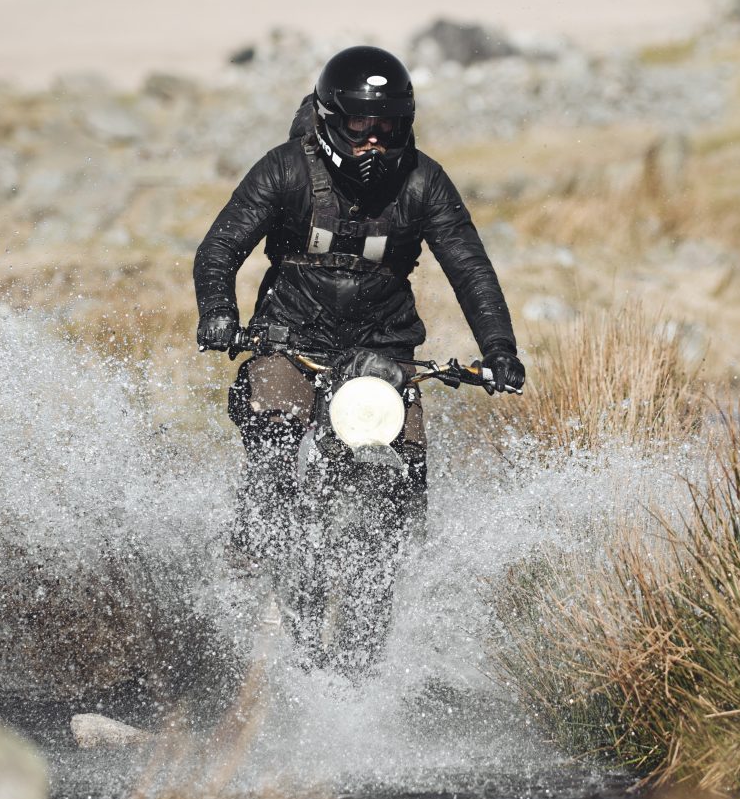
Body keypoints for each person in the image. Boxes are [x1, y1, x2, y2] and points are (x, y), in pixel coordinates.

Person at [193, 45, 524, 566]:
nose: (374, 138)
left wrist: (499, 347)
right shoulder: (285, 170)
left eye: (387, 127)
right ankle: (254, 561)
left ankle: (388, 591)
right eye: (359, 124)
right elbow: (218, 249)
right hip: (289, 340)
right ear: (330, 120)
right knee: (275, 438)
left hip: (385, 350)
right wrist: (218, 311)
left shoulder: (425, 180)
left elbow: (470, 268)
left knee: (407, 477)